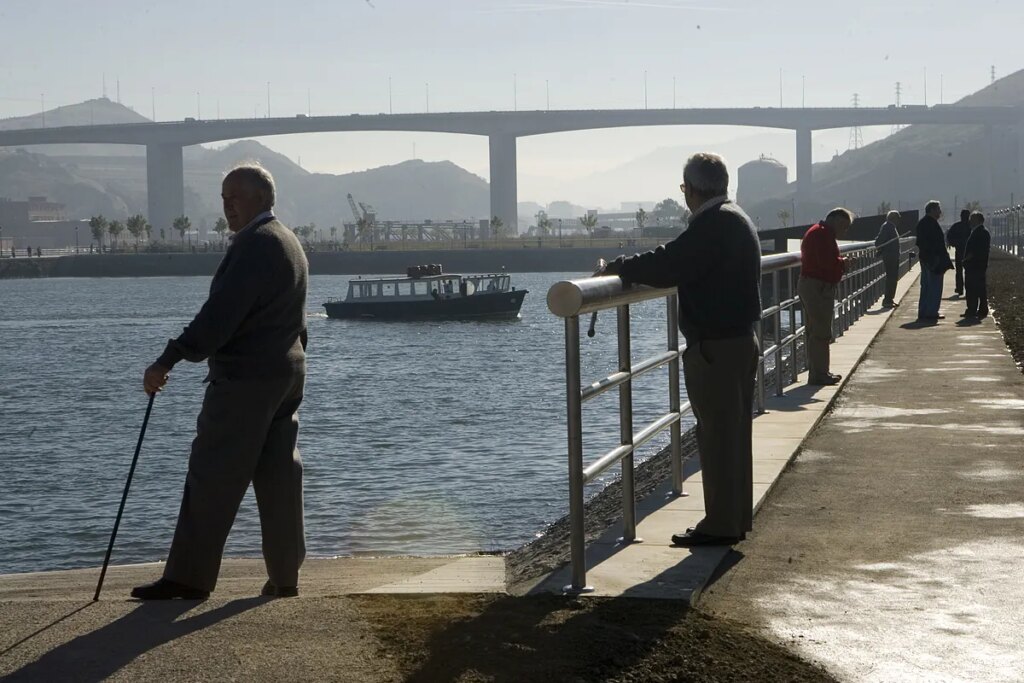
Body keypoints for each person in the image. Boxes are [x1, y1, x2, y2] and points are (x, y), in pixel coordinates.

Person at [132, 163, 309, 600]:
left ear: (262, 197)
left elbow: (220, 317)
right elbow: (297, 321)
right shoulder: (289, 242)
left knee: (211, 474)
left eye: (236, 196)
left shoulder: (255, 244)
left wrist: (169, 358)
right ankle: (285, 578)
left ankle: (188, 579)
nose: (227, 206)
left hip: (245, 380)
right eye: (224, 197)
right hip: (286, 375)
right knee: (279, 478)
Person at [601, 152, 760, 547]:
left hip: (716, 349)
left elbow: (670, 263)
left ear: (689, 190)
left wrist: (619, 267)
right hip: (739, 340)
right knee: (734, 436)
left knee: (717, 437)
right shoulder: (736, 217)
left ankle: (721, 525)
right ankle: (734, 518)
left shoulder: (713, 223)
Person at [799, 208, 853, 385]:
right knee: (821, 330)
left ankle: (819, 372)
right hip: (818, 287)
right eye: (844, 227)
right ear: (836, 220)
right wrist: (844, 263)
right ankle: (820, 374)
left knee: (816, 329)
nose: (844, 232)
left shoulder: (819, 232)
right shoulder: (822, 235)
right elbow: (826, 263)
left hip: (814, 285)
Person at [915, 200, 952, 321]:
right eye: (938, 209)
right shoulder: (931, 224)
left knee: (925, 286)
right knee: (935, 286)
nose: (940, 212)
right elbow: (935, 244)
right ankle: (932, 312)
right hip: (934, 260)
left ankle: (924, 311)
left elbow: (920, 242)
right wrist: (936, 258)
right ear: (932, 210)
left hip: (925, 259)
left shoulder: (922, 223)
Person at [962, 211, 991, 319]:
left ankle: (973, 310)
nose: (970, 221)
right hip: (978, 265)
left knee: (973, 289)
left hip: (975, 266)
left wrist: (966, 259)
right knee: (979, 288)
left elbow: (976, 250)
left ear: (978, 220)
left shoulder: (980, 232)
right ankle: (980, 309)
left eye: (972, 219)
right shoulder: (978, 231)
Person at [874, 210, 902, 309]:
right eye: (898, 218)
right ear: (893, 218)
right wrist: (881, 249)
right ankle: (887, 300)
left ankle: (890, 299)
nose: (899, 220)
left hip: (892, 256)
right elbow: (879, 241)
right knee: (891, 278)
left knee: (893, 278)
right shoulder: (887, 226)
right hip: (890, 257)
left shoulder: (891, 227)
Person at [946, 209, 972, 296]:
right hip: (969, 252)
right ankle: (968, 289)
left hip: (960, 251)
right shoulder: (971, 226)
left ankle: (960, 288)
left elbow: (949, 236)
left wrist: (954, 243)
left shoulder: (956, 226)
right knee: (968, 272)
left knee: (959, 271)